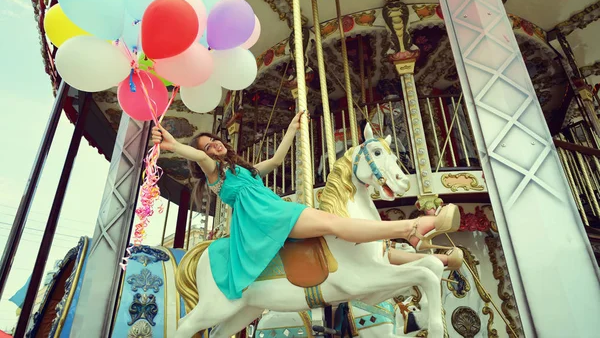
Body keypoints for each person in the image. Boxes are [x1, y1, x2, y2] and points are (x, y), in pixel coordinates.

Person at [151, 110, 462, 300]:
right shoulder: (214, 173)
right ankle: (411, 226)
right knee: (332, 223)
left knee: (336, 233)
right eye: (208, 146)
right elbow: (199, 156)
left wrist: (292, 130)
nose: (214, 146)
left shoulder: (243, 170)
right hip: (267, 218)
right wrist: (175, 145)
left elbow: (275, 160)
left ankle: (420, 252)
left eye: (215, 141)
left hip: (275, 210)